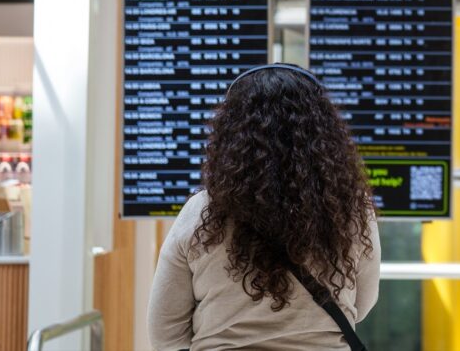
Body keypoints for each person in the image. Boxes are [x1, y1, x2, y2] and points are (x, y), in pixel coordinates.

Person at [148, 64, 380, 351]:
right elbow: (363, 303)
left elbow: (164, 331)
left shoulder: (201, 212)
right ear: (323, 134)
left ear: (230, 133)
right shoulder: (352, 212)